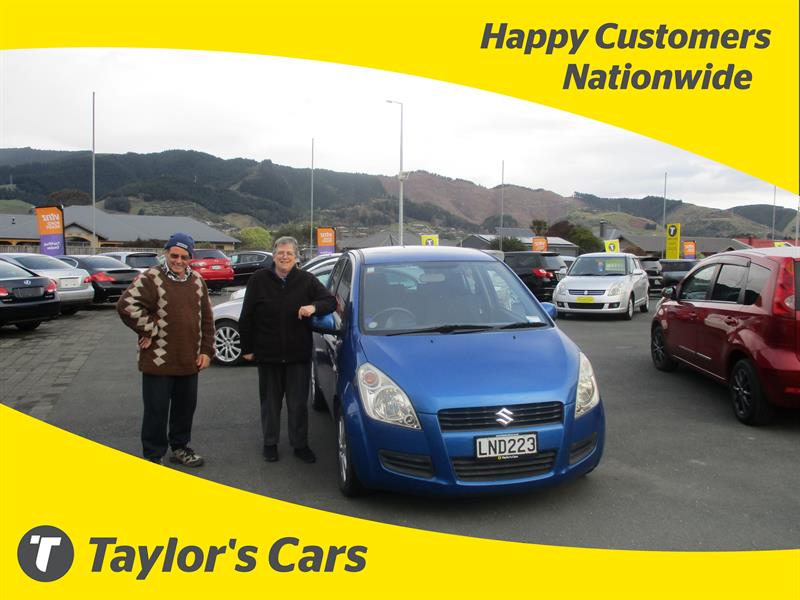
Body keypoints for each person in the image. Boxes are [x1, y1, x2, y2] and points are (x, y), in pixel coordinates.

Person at [117, 232, 214, 467]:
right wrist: (150, 328)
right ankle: (153, 455)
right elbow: (126, 305)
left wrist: (206, 351)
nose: (178, 261)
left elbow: (207, 319)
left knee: (185, 409)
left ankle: (180, 448)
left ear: (190, 258)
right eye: (174, 255)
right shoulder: (151, 278)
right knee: (156, 411)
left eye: (184, 257)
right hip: (157, 360)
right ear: (166, 253)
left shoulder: (197, 281)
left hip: (189, 359)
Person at [239, 236, 336, 464]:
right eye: (281, 253)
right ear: (274, 255)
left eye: (289, 254)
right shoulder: (259, 279)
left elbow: (330, 302)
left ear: (296, 257)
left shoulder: (306, 280)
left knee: (298, 404)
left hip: (297, 355)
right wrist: (247, 347)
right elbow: (247, 315)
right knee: (270, 404)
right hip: (268, 354)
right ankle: (270, 443)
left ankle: (300, 445)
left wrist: (314, 307)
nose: (284, 257)